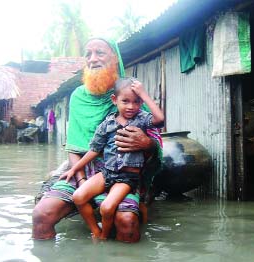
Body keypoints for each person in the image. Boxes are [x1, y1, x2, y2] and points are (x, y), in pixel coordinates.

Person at [32, 38, 163, 242]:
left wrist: (146, 143)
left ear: (115, 58)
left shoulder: (129, 92)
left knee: (127, 222)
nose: (92, 59)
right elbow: (74, 145)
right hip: (82, 171)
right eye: (88, 54)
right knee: (41, 215)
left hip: (123, 171)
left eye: (100, 53)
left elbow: (155, 136)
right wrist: (82, 180)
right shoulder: (78, 97)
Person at [60, 77, 164, 239]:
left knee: (107, 208)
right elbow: (94, 150)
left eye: (136, 102)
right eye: (125, 101)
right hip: (106, 173)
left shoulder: (142, 119)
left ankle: (104, 237)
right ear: (114, 100)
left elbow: (160, 120)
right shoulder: (107, 123)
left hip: (127, 178)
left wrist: (144, 95)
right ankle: (96, 231)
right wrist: (74, 168)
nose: (131, 106)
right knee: (78, 197)